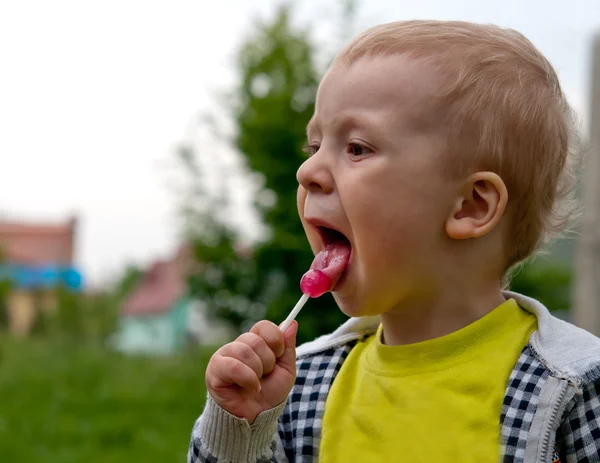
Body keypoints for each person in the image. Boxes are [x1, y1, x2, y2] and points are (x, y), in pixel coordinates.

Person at [188, 20, 600, 462]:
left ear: (471, 207)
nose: (306, 173)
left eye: (357, 148)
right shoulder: (300, 389)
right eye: (314, 147)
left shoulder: (571, 387)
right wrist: (239, 430)